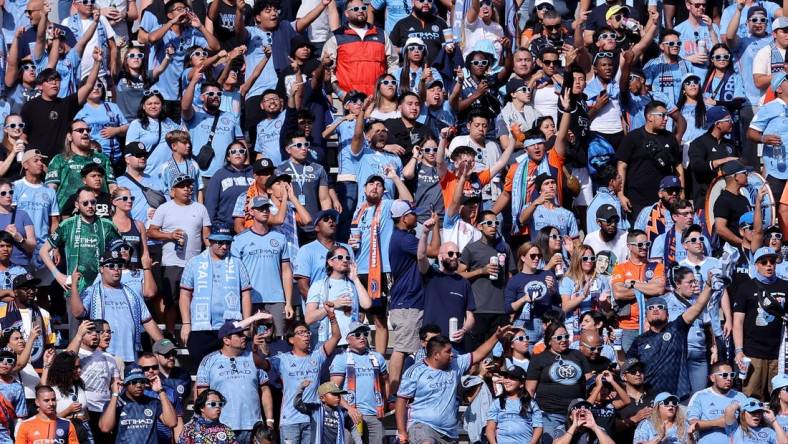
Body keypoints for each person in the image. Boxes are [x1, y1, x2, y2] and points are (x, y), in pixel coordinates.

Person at [395, 326, 514, 444]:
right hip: (422, 426)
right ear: (436, 355)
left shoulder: (456, 363)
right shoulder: (415, 371)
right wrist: (402, 432)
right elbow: (401, 401)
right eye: (448, 352)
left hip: (449, 432)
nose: (452, 354)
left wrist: (496, 337)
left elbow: (478, 354)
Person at [626, 269, 713, 400]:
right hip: (650, 398)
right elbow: (628, 369)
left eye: (660, 307)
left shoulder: (677, 328)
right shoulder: (639, 341)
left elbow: (697, 307)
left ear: (668, 315)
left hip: (678, 397)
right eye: (651, 308)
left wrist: (708, 286)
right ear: (646, 316)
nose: (655, 310)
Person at [261, 304, 341, 444]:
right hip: (290, 421)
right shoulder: (282, 359)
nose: (306, 335)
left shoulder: (317, 356)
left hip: (313, 420)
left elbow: (336, 336)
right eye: (301, 333)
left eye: (307, 332)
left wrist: (332, 316)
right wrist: (257, 347)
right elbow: (262, 364)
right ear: (291, 340)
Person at [69, 250, 163, 364]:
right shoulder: (92, 291)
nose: (116, 269)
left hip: (131, 357)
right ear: (101, 269)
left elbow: (147, 321)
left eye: (119, 265)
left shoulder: (132, 293)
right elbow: (78, 313)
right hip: (102, 358)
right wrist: (74, 285)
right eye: (111, 266)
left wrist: (163, 346)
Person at [147, 174, 211, 334]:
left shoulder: (200, 208)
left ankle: (194, 333)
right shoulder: (164, 208)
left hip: (195, 263)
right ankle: (171, 334)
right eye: (182, 186)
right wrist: (170, 235)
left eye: (189, 186)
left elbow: (207, 236)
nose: (187, 189)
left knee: (195, 300)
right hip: (171, 262)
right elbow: (151, 232)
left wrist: (210, 258)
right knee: (171, 301)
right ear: (172, 191)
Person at [180, 224, 252, 364]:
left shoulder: (237, 263)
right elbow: (184, 295)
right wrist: (186, 323)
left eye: (228, 243)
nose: (224, 246)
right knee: (202, 368)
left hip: (230, 326)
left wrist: (246, 324)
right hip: (200, 327)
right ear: (210, 241)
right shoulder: (194, 262)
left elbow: (246, 295)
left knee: (230, 368)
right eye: (220, 242)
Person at [196, 319, 274, 443]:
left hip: (254, 427)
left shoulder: (253, 358)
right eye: (239, 335)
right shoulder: (209, 361)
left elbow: (265, 389)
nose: (244, 337)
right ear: (226, 340)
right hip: (221, 426)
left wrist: (269, 421)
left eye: (243, 334)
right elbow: (202, 394)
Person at [230, 196, 294, 336]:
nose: (265, 211)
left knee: (277, 339)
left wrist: (288, 302)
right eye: (260, 208)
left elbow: (286, 271)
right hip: (250, 299)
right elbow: (234, 275)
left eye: (266, 208)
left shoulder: (280, 238)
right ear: (251, 212)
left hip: (276, 299)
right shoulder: (240, 240)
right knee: (250, 338)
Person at [40, 187, 120, 297]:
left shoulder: (107, 225)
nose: (90, 206)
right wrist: (58, 275)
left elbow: (123, 250)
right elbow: (43, 251)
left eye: (93, 202)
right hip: (75, 289)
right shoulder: (67, 225)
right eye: (85, 203)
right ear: (77, 205)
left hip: (102, 288)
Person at [733, 247, 788, 400]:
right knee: (751, 398)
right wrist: (739, 350)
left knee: (778, 398)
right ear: (756, 264)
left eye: (772, 261)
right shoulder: (746, 287)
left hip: (779, 353)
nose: (769, 265)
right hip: (753, 352)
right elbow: (737, 321)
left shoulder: (786, 286)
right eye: (764, 262)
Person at [524, 322, 592, 441]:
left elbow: (590, 381)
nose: (564, 340)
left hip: (577, 412)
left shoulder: (577, 355)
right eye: (559, 337)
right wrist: (530, 413)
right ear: (549, 341)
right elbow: (530, 389)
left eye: (566, 336)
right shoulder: (539, 359)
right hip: (549, 414)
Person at [617, 101, 684, 218]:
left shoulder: (670, 138)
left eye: (667, 115)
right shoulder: (633, 137)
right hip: (637, 200)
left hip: (665, 199)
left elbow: (678, 166)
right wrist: (621, 194)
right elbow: (622, 165)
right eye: (662, 115)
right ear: (650, 117)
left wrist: (682, 193)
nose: (666, 119)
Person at [321, 0, 396, 97]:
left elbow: (393, 64)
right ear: (346, 14)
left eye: (363, 8)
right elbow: (328, 70)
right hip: (351, 100)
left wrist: (388, 90)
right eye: (356, 9)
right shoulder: (336, 36)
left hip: (377, 98)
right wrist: (340, 93)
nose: (360, 11)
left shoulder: (381, 34)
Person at [329, 322, 389, 444]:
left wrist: (384, 404)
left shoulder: (377, 357)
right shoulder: (341, 358)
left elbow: (386, 382)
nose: (362, 337)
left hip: (374, 415)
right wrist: (348, 408)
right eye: (357, 334)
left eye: (365, 334)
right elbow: (333, 389)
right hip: (352, 415)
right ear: (348, 339)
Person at [304, 244, 372, 344]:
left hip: (351, 344)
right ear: (330, 262)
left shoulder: (353, 284)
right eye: (340, 257)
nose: (345, 260)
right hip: (329, 343)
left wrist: (355, 278)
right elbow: (309, 318)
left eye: (347, 258)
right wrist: (334, 305)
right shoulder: (318, 285)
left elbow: (367, 304)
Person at [65, 319, 119, 443]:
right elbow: (66, 360)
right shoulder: (77, 354)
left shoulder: (109, 358)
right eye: (90, 332)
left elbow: (114, 384)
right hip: (85, 410)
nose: (95, 334)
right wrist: (79, 335)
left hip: (105, 410)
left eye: (96, 332)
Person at [98, 365, 177, 443]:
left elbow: (172, 423)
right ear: (125, 384)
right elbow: (105, 428)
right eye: (134, 382)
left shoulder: (153, 402)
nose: (139, 385)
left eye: (142, 381)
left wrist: (160, 391)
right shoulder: (115, 403)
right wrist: (115, 394)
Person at [687, 362, 748, 443]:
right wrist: (716, 423)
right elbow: (692, 423)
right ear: (712, 378)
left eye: (732, 375)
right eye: (725, 375)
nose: (729, 378)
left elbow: (750, 420)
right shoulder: (699, 396)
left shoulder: (740, 396)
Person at [203, 142, 253, 227]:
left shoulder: (254, 173)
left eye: (241, 151)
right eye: (233, 151)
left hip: (250, 226)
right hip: (224, 227)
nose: (238, 153)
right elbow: (210, 204)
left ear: (245, 155)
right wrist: (208, 227)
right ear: (228, 157)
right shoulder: (219, 175)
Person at [15, 385, 79, 444]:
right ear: (37, 402)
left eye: (53, 400)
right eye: (46, 400)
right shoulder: (25, 425)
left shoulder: (67, 424)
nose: (51, 403)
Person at [714, 160, 752, 246]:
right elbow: (720, 229)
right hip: (733, 252)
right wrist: (742, 242)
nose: (747, 175)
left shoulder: (743, 199)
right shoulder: (723, 200)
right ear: (736, 177)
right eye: (745, 173)